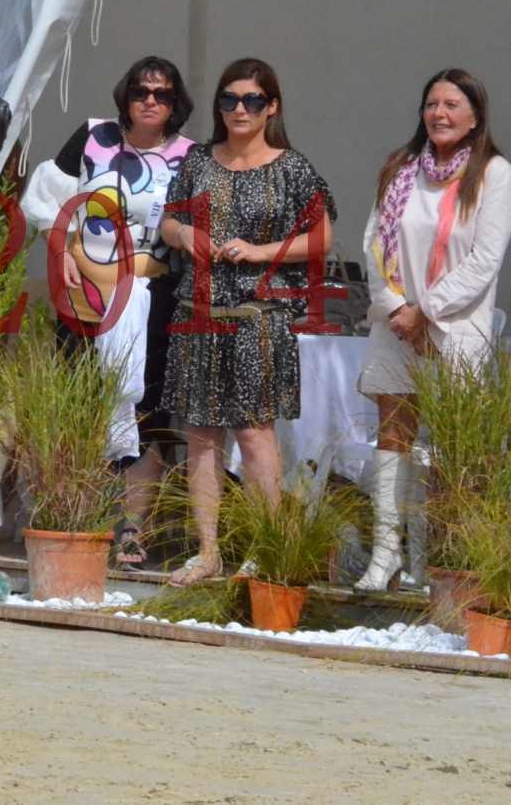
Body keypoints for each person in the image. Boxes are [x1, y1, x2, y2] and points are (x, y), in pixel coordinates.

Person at [158, 58, 337, 586]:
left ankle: (264, 548)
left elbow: (322, 236)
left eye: (252, 100)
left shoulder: (291, 167)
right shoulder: (196, 161)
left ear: (272, 107)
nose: (240, 109)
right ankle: (208, 551)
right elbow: (170, 219)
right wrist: (185, 236)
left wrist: (262, 251)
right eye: (230, 99)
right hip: (200, 311)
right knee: (200, 435)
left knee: (256, 434)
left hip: (260, 316)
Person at [21, 56, 196, 567]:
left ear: (175, 103)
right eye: (141, 90)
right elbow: (42, 200)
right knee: (80, 402)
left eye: (162, 94)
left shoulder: (190, 157)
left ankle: (132, 530)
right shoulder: (93, 137)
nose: (150, 100)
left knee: (145, 411)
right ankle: (78, 518)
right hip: (86, 293)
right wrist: (59, 250)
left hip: (152, 297)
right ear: (125, 95)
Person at [353, 69, 509, 590]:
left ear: (474, 117)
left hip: (456, 328)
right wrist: (399, 308)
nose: (439, 114)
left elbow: (485, 261)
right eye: (432, 104)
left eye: (452, 105)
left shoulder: (494, 174)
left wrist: (427, 310)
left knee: (452, 444)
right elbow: (374, 243)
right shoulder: (401, 169)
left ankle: (441, 559)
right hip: (397, 324)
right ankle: (385, 554)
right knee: (392, 434)